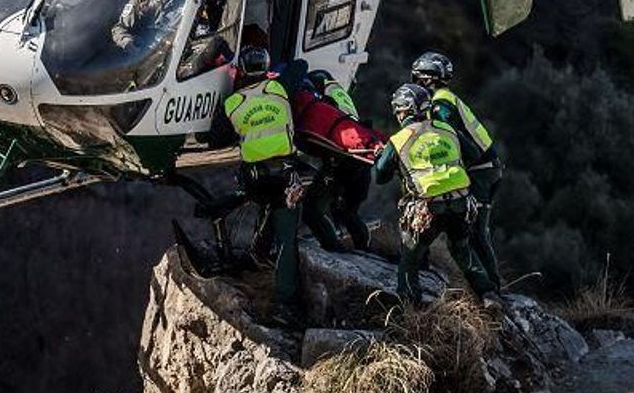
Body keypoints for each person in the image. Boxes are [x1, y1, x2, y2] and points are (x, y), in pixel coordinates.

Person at [208, 45, 323, 327]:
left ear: (241, 72)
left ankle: (257, 254)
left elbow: (213, 140)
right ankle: (286, 303)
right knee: (287, 239)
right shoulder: (280, 88)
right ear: (266, 69)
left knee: (265, 206)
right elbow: (302, 65)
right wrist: (278, 72)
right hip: (285, 176)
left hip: (255, 181)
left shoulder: (233, 102)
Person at [373, 82, 497, 309]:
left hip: (427, 209)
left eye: (397, 110)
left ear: (403, 110)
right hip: (461, 202)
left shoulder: (399, 140)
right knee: (461, 248)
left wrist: (381, 157)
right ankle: (488, 294)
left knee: (410, 255)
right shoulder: (446, 129)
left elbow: (379, 176)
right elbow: (473, 154)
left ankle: (409, 307)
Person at [411, 50, 504, 289]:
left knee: (473, 232)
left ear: (427, 79)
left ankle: (492, 288)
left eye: (417, 78)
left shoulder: (440, 103)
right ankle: (491, 285)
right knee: (473, 230)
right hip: (487, 168)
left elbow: (449, 138)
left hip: (479, 170)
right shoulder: (447, 97)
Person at [304, 69, 373, 250]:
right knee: (348, 212)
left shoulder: (327, 100)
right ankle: (364, 250)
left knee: (312, 210)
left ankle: (334, 251)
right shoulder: (340, 93)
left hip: (342, 161)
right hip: (362, 157)